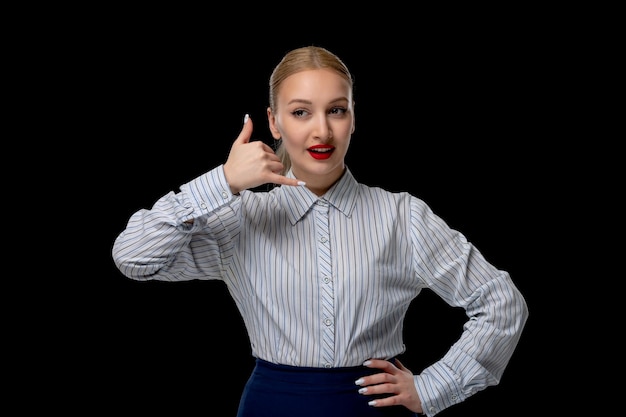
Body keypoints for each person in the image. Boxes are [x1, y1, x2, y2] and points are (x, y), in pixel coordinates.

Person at [112, 45, 528, 417]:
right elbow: (133, 257)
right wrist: (223, 181)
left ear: (353, 118)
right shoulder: (240, 218)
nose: (322, 131)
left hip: (374, 409)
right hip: (270, 406)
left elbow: (501, 303)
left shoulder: (403, 217)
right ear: (274, 123)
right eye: (300, 112)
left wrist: (434, 387)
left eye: (336, 109)